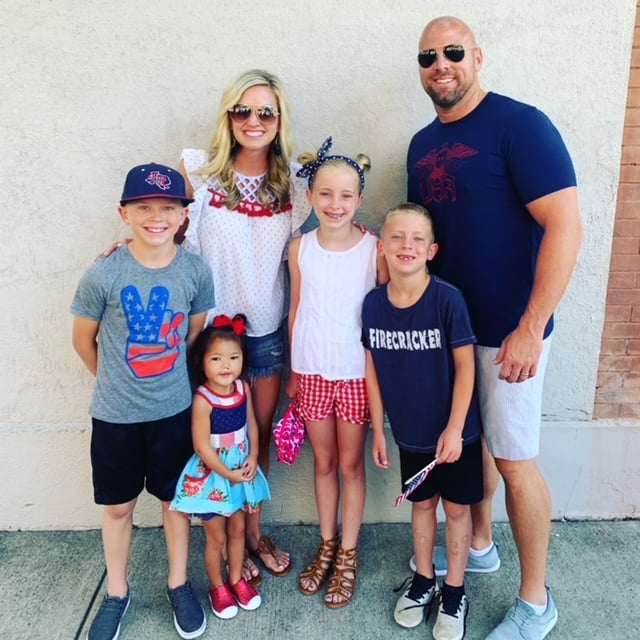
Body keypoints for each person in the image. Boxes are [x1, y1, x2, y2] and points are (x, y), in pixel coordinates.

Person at [407, 16, 583, 640]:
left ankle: (536, 603)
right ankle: (479, 545)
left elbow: (566, 226)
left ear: (477, 58)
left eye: (453, 51)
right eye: (428, 56)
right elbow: (421, 239)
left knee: (514, 461)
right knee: (470, 446)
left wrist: (530, 327)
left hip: (511, 333)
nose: (441, 64)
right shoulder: (420, 145)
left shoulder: (520, 125)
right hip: (450, 333)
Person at [104, 69, 311, 582]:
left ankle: (252, 535)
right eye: (243, 110)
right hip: (204, 335)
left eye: (265, 112)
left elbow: (321, 236)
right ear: (228, 116)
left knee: (254, 441)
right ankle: (218, 539)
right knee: (201, 442)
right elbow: (165, 230)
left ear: (280, 119)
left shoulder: (296, 185)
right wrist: (126, 250)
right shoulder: (198, 172)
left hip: (263, 335)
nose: (253, 120)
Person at [71, 163, 215, 640]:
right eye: (144, 207)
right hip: (116, 417)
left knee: (175, 501)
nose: (156, 217)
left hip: (172, 413)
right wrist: (115, 381)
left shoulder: (195, 271)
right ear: (125, 213)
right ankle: (116, 591)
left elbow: (193, 336)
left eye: (168, 208)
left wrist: (163, 382)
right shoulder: (104, 273)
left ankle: (178, 583)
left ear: (183, 215)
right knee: (118, 506)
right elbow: (83, 340)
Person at [363, 203, 483, 640]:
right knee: (422, 505)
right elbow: (371, 369)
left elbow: (466, 367)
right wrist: (378, 428)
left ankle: (454, 591)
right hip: (410, 434)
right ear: (382, 247)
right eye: (397, 237)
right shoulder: (373, 305)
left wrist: (455, 428)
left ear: (432, 250)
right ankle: (424, 579)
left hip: (455, 434)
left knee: (457, 509)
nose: (406, 245)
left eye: (417, 239)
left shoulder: (447, 299)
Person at [287, 137, 388, 609]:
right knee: (323, 463)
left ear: (359, 200)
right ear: (310, 196)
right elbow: (296, 308)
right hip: (311, 371)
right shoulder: (299, 248)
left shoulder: (374, 250)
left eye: (346, 195)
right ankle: (326, 545)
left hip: (354, 374)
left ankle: (348, 552)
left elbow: (384, 317)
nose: (335, 204)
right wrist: (293, 368)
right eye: (325, 194)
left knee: (350, 465)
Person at [170, 315, 270, 620]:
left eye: (233, 357)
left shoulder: (242, 389)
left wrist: (253, 455)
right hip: (214, 477)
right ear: (201, 362)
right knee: (217, 538)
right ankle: (218, 587)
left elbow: (252, 424)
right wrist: (227, 474)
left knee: (238, 530)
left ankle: (237, 579)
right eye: (216, 359)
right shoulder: (203, 400)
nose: (226, 365)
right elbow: (202, 446)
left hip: (240, 469)